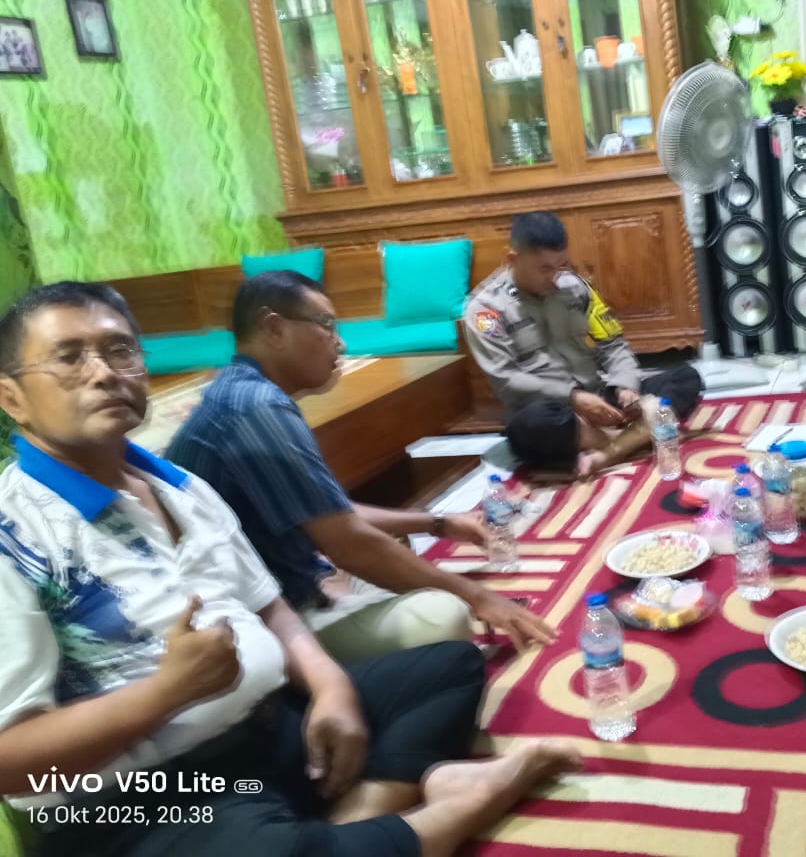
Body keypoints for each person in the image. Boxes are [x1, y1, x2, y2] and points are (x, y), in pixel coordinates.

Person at [0, 281, 581, 857]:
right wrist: (166, 693)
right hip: (148, 794)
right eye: (69, 357)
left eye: (120, 350)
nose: (104, 373)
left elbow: (269, 605)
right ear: (12, 398)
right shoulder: (15, 534)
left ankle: (351, 824)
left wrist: (331, 689)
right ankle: (464, 798)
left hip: (267, 727)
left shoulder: (180, 487)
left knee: (448, 668)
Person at [166, 272, 555, 662]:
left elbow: (330, 514)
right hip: (263, 620)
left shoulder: (243, 391)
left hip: (287, 579)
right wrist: (477, 597)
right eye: (326, 325)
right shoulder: (257, 407)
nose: (341, 343)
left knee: (393, 547)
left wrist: (438, 523)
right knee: (444, 616)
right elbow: (348, 541)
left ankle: (346, 604)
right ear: (274, 329)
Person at [465, 211, 703, 477]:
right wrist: (573, 398)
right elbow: (506, 380)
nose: (554, 277)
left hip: (603, 399)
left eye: (560, 266)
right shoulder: (486, 310)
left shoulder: (576, 288)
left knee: (687, 378)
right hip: (557, 413)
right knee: (533, 426)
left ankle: (608, 452)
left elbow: (613, 344)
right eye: (544, 269)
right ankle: (640, 432)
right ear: (512, 259)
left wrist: (625, 387)